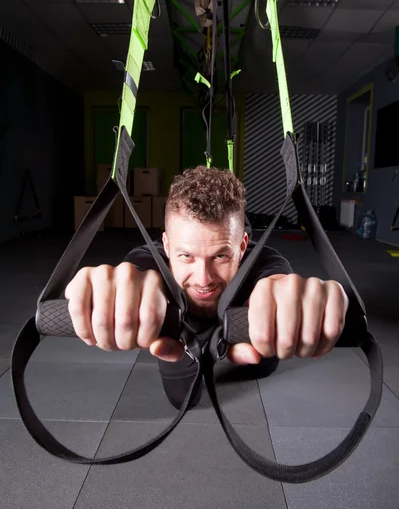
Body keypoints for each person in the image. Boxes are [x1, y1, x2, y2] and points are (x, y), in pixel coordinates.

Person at [65, 166, 349, 409]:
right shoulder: (149, 258)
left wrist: (288, 301)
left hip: (244, 341)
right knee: (183, 401)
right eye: (186, 256)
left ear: (242, 246)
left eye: (221, 256)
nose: (203, 279)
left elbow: (276, 280)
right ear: (166, 246)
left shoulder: (265, 260)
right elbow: (135, 272)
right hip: (181, 340)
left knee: (263, 365)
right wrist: (118, 289)